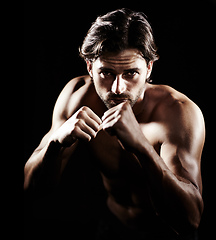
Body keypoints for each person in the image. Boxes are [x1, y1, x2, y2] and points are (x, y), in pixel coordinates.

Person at [24, 8, 205, 240]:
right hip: (113, 225)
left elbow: (190, 219)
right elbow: (31, 188)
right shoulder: (78, 97)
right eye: (106, 73)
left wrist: (142, 146)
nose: (118, 88)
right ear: (90, 67)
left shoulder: (178, 112)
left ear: (149, 68)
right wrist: (56, 143)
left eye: (131, 73)